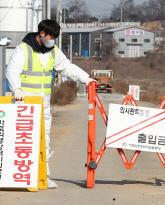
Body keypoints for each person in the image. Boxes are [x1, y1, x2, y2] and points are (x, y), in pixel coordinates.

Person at [6, 19, 97, 188]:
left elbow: (67, 68)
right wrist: (16, 89)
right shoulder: (23, 49)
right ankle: (19, 176)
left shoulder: (53, 51)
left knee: (44, 140)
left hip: (43, 104)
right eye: (51, 37)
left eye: (55, 37)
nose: (53, 40)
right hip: (24, 103)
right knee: (23, 140)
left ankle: (43, 176)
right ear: (41, 34)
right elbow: (12, 70)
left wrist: (86, 78)